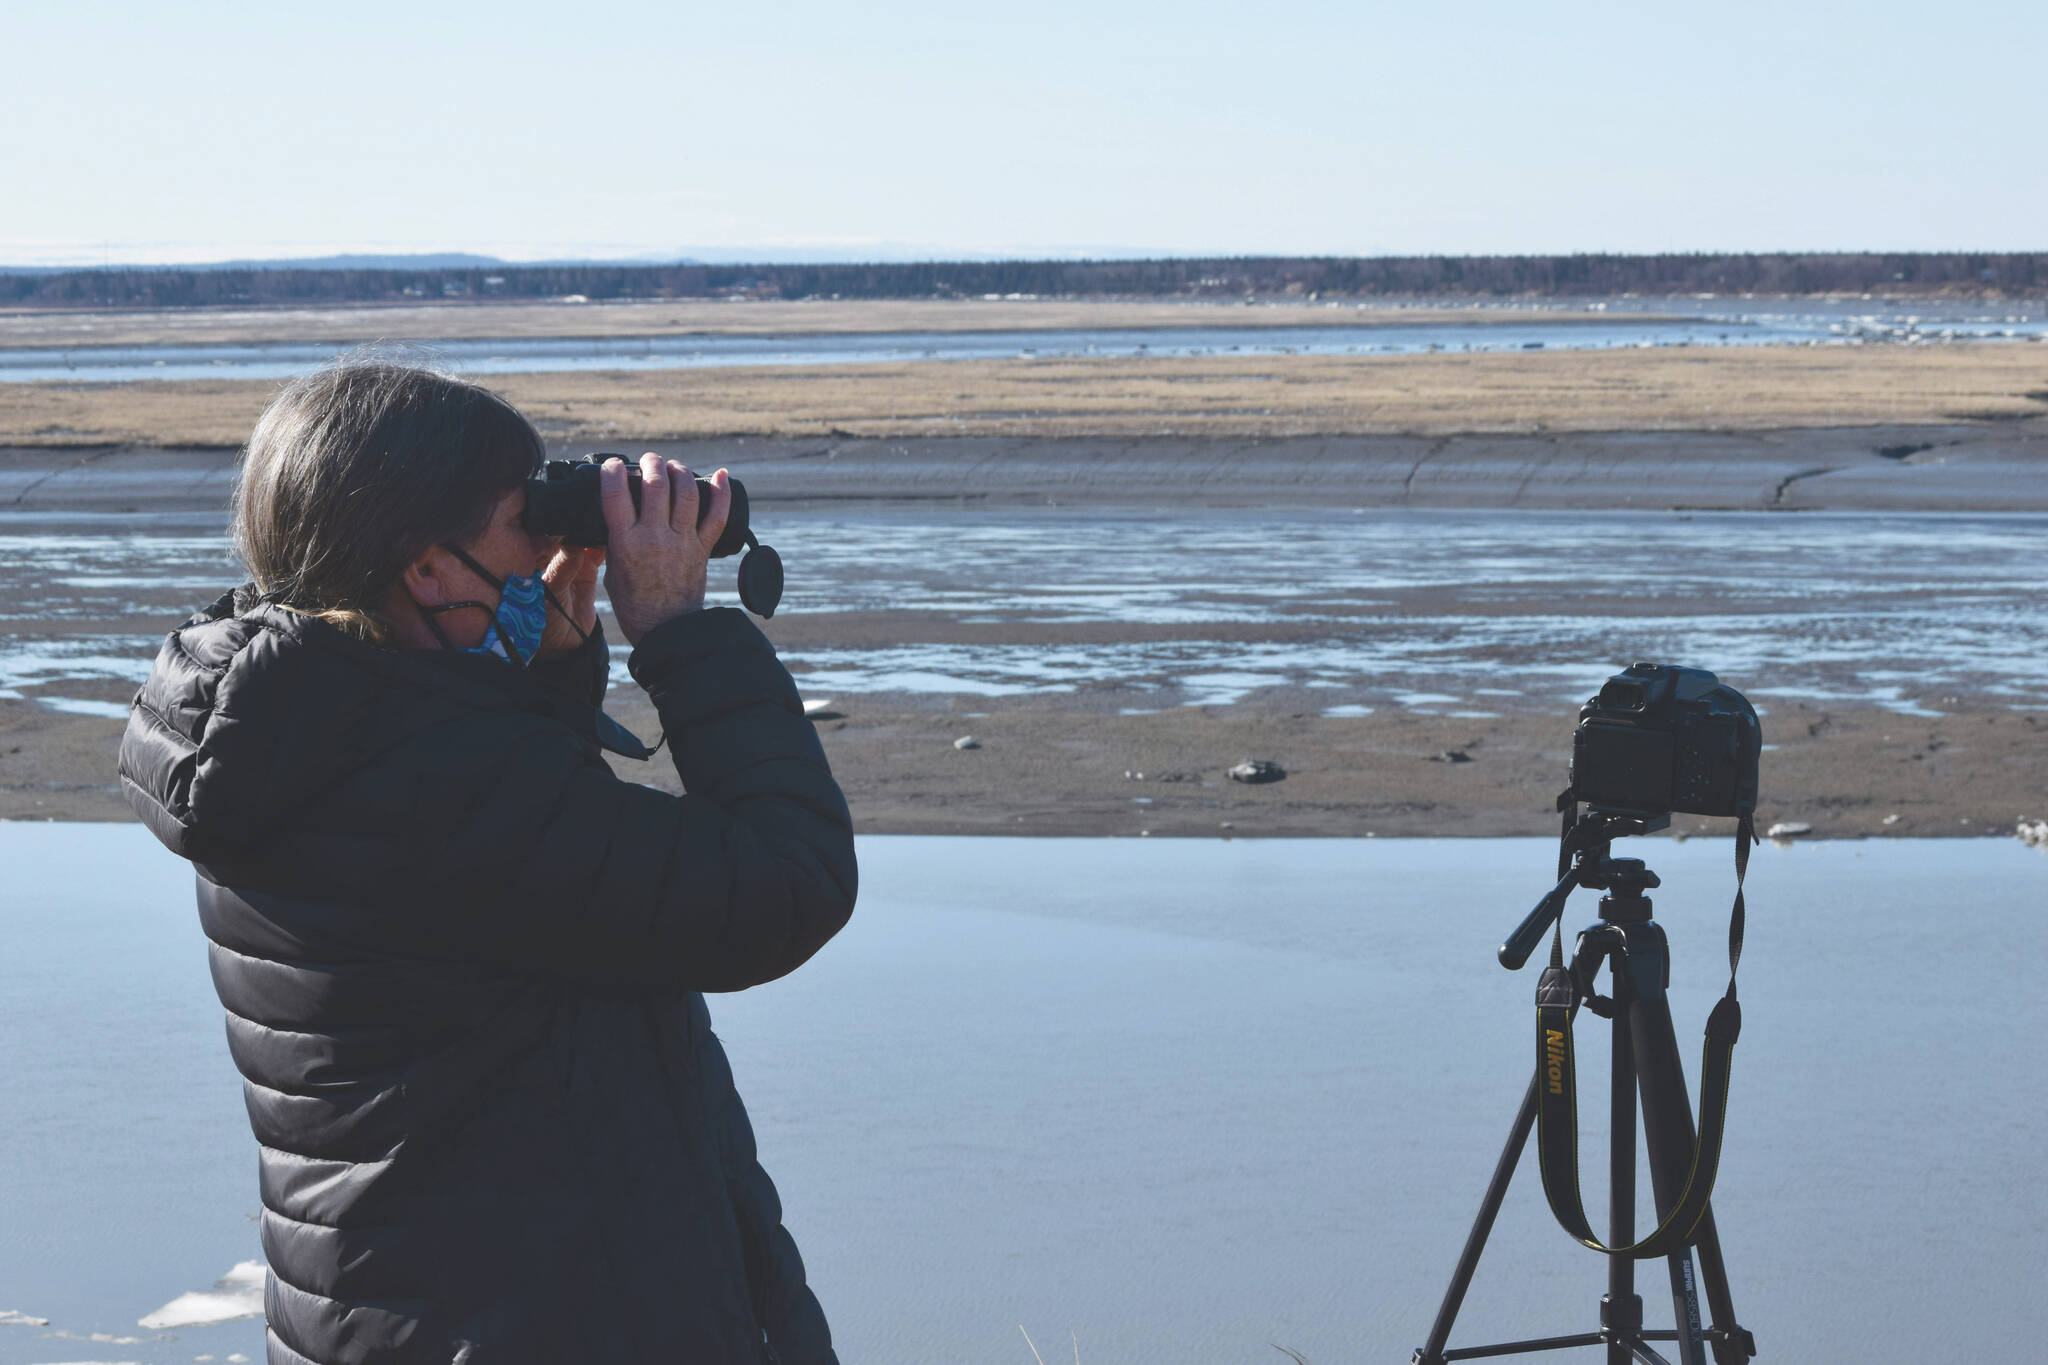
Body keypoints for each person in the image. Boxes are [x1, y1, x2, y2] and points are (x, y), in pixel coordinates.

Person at [117, 361, 857, 1365]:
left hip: (416, 1314)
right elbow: (781, 884)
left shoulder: (310, 732)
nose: (550, 542)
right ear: (426, 570)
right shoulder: (430, 782)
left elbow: (518, 903)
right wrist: (680, 633)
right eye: (527, 519)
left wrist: (547, 666)